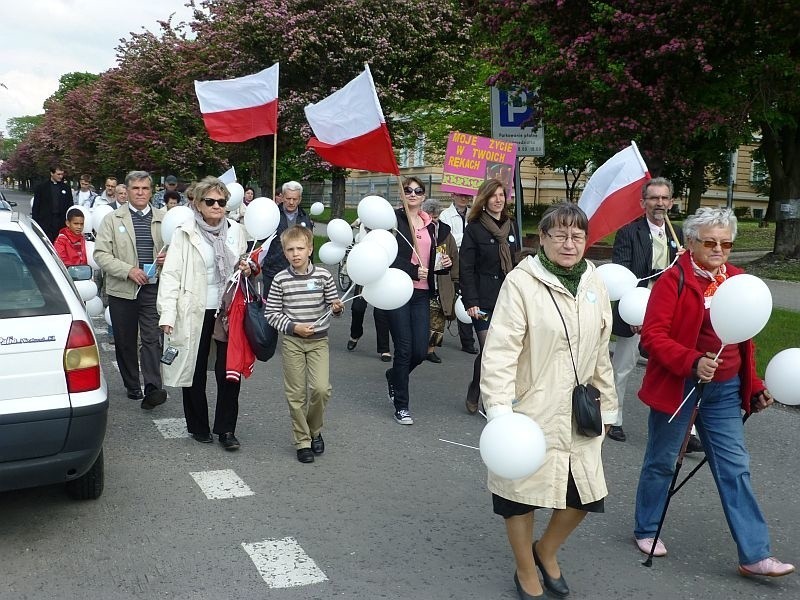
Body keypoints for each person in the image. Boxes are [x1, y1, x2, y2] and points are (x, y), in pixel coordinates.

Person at [633, 207, 795, 578]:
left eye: (726, 243)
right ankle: (646, 527)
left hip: (724, 391)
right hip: (681, 385)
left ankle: (755, 554)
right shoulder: (673, 280)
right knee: (662, 460)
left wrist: (754, 386)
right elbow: (652, 337)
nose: (719, 249)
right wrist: (691, 362)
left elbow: (743, 342)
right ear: (691, 242)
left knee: (735, 468)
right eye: (710, 242)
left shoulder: (738, 280)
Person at [482, 202, 617, 600]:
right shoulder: (522, 282)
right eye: (559, 234)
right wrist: (500, 411)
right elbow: (501, 350)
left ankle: (547, 550)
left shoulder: (594, 281)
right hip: (530, 409)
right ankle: (526, 569)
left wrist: (607, 406)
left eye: (577, 235)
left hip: (579, 410)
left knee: (586, 494)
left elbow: (600, 351)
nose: (569, 243)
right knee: (518, 496)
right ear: (542, 239)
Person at [157, 177, 252, 450]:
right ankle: (198, 426)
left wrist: (246, 269)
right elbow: (172, 275)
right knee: (193, 370)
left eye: (221, 202)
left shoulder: (236, 231)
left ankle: (226, 430)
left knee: (228, 371)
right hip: (193, 309)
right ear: (197, 204)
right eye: (209, 201)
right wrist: (167, 315)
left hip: (227, 309)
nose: (216, 206)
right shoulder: (184, 232)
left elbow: (243, 266)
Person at [608, 177, 685, 443]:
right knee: (623, 366)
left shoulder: (679, 234)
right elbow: (622, 273)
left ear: (671, 202)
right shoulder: (629, 232)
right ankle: (613, 418)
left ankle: (683, 427)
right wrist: (635, 312)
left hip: (668, 308)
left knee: (675, 366)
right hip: (636, 305)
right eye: (654, 198)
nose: (659, 203)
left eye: (664, 198)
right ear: (643, 202)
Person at [265, 225, 343, 463]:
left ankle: (314, 429)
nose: (295, 253)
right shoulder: (280, 279)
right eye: (290, 249)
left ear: (310, 249)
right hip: (293, 342)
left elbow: (333, 306)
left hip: (319, 341)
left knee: (321, 389)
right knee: (296, 393)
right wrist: (293, 327)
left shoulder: (323, 276)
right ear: (284, 252)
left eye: (300, 248)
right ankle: (303, 440)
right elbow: (271, 313)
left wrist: (337, 308)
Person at [94, 170, 168, 409]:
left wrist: (169, 259)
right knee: (125, 341)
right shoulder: (112, 220)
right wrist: (128, 270)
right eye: (135, 188)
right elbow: (101, 255)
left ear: (151, 191)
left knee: (152, 339)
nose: (140, 193)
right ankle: (132, 385)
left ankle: (153, 387)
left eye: (145, 188)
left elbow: (177, 248)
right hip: (122, 290)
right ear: (126, 191)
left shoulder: (164, 218)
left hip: (153, 288)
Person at [384, 177, 452, 425]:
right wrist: (413, 271)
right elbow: (385, 255)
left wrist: (443, 266)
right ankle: (401, 405)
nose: (412, 194)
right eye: (408, 190)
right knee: (403, 348)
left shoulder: (431, 225)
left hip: (422, 293)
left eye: (418, 191)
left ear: (424, 195)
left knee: (420, 350)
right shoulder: (393, 221)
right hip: (397, 290)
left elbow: (432, 259)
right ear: (402, 194)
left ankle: (394, 376)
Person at [459, 178, 521, 414]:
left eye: (501, 195)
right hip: (482, 299)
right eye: (493, 196)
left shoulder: (510, 226)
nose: (498, 200)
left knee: (501, 351)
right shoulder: (474, 228)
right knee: (489, 349)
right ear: (484, 200)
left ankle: (486, 392)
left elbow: (517, 261)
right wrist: (471, 302)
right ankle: (479, 389)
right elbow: (466, 267)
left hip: (508, 297)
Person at [347, 218, 392, 361]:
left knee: (381, 311)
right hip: (364, 270)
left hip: (383, 270)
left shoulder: (389, 226)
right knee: (358, 307)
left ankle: (384, 349)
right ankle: (355, 333)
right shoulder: (364, 221)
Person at [421, 198, 459, 364]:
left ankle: (431, 350)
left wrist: (455, 279)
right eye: (430, 217)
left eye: (435, 217)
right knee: (422, 317)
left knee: (438, 318)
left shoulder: (445, 233)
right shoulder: (419, 231)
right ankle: (418, 346)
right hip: (422, 281)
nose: (432, 221)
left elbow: (454, 256)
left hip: (441, 282)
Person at [439, 191, 477, 354]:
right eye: (460, 195)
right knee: (445, 298)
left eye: (467, 195)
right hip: (450, 262)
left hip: (470, 263)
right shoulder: (445, 215)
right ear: (452, 195)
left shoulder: (474, 214)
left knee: (466, 299)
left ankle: (468, 341)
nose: (464, 198)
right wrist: (468, 237)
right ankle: (435, 338)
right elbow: (444, 238)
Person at [259, 181, 313, 295]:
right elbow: (262, 240)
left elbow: (309, 244)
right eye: (288, 198)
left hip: (299, 270)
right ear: (282, 197)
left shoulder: (305, 217)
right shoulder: (272, 215)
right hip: (274, 269)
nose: (291, 202)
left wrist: (310, 267)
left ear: (300, 199)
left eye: (295, 199)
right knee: (272, 306)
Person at [31, 165, 73, 242]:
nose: (61, 176)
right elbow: (36, 207)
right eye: (58, 174)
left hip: (61, 222)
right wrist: (35, 223)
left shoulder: (66, 188)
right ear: (51, 173)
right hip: (45, 222)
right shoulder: (41, 187)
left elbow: (70, 205)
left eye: (62, 174)